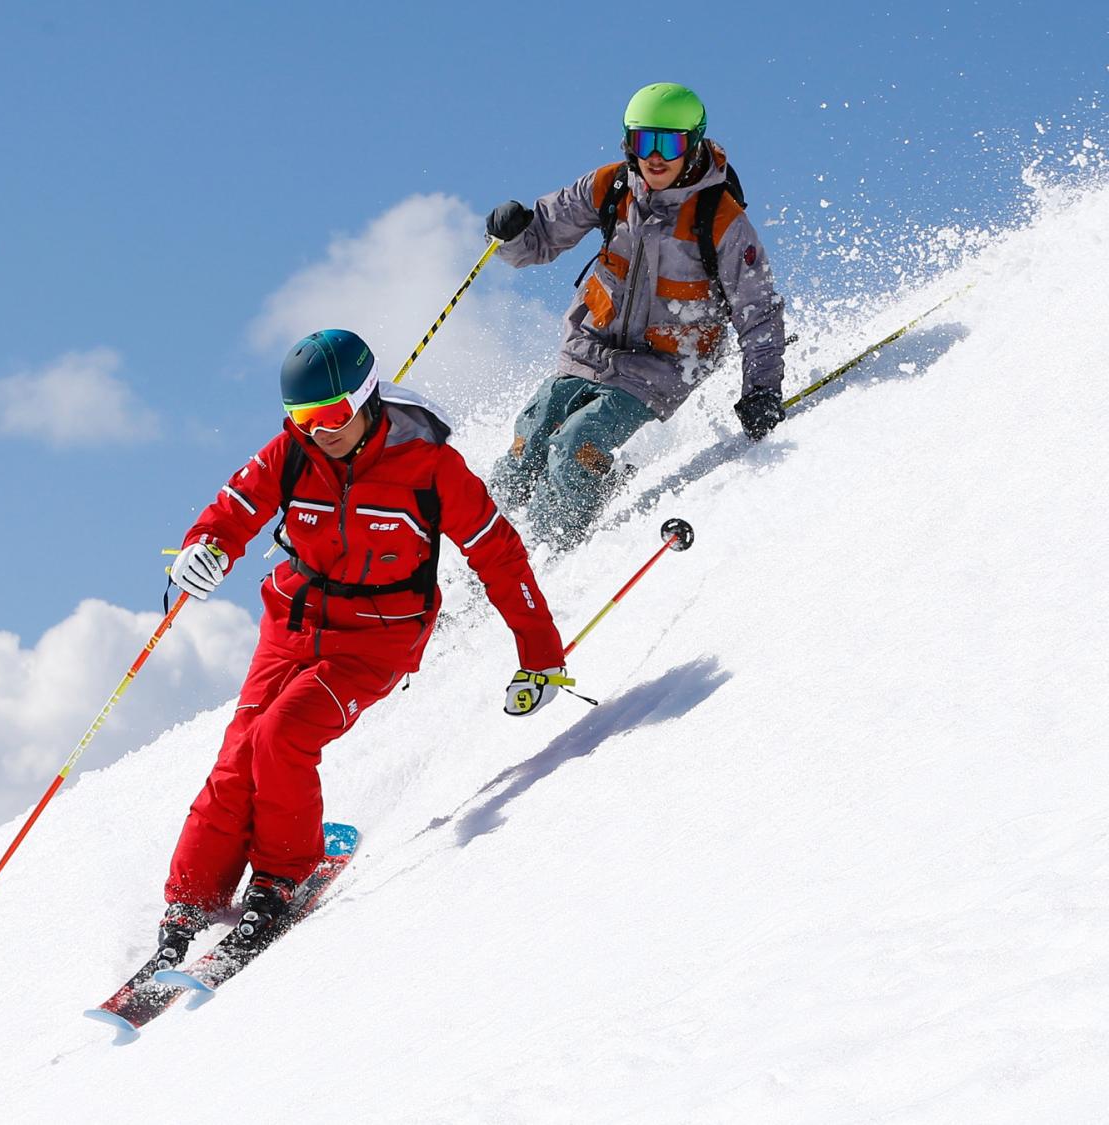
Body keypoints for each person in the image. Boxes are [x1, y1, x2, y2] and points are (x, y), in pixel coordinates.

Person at [152, 328, 566, 967]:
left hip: (376, 637)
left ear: (367, 397)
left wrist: (540, 653)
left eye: (332, 414)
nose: (320, 432)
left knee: (281, 736)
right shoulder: (292, 453)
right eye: (303, 418)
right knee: (240, 752)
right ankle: (192, 898)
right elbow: (234, 508)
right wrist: (202, 548)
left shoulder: (430, 466)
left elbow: (498, 555)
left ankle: (282, 875)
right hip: (292, 621)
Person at [483, 82, 787, 549]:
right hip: (591, 345)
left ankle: (548, 550)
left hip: (663, 364)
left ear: (694, 143)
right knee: (531, 438)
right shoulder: (612, 186)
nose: (656, 157)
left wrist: (762, 391)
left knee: (576, 444)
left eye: (671, 144)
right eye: (646, 142)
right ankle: (479, 550)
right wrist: (513, 233)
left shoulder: (721, 219)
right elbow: (540, 237)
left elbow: (758, 311)